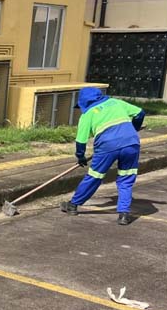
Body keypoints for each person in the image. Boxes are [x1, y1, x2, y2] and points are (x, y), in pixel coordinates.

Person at [60, 87, 145, 225]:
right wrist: (134, 128)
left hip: (107, 146)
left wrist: (80, 156)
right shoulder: (116, 102)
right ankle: (124, 214)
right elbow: (140, 113)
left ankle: (73, 205)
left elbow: (81, 141)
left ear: (83, 102)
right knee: (126, 178)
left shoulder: (87, 114)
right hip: (131, 143)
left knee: (95, 176)